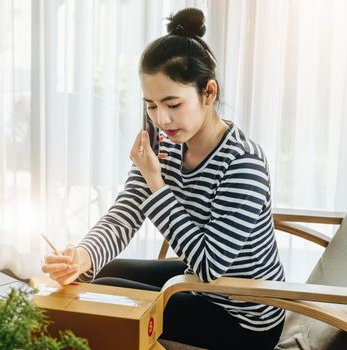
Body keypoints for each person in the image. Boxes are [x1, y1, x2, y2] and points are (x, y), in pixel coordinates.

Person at [42, 7, 285, 349]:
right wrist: (80, 256)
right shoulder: (164, 139)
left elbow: (207, 266)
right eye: (151, 106)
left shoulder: (243, 163)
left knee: (107, 302)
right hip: (198, 285)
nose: (162, 120)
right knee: (100, 274)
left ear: (208, 93)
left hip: (242, 316)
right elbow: (127, 211)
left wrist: (156, 183)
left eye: (173, 104)